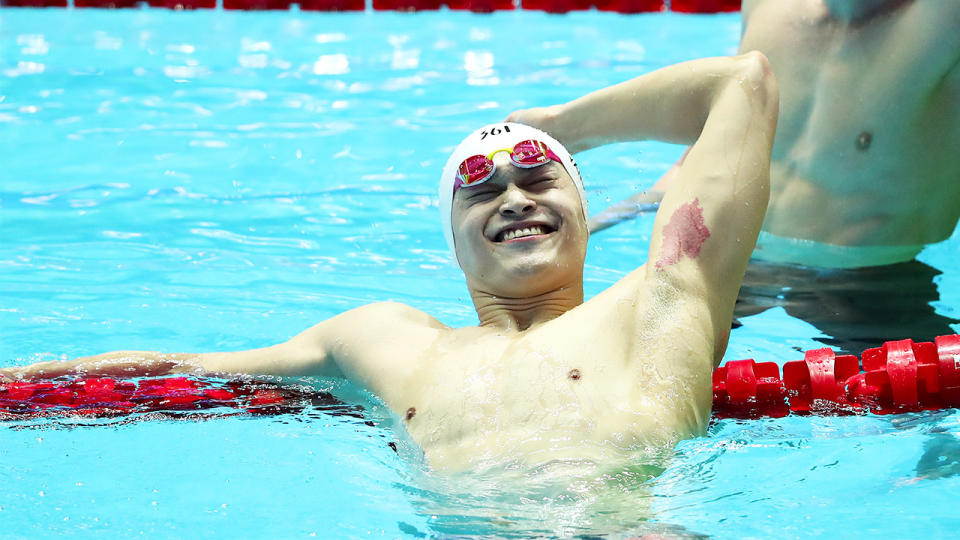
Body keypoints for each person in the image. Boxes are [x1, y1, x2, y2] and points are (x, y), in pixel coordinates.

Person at [0, 53, 779, 472]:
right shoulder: (388, 340)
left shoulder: (661, 299)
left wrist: (557, 124)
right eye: (481, 191)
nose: (513, 196)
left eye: (540, 176)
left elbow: (743, 85)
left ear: (582, 209)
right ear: (455, 238)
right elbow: (189, 367)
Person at [590, 0, 960, 352]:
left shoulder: (943, 26)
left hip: (870, 286)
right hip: (739, 261)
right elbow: (718, 144)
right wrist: (600, 218)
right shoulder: (768, 7)